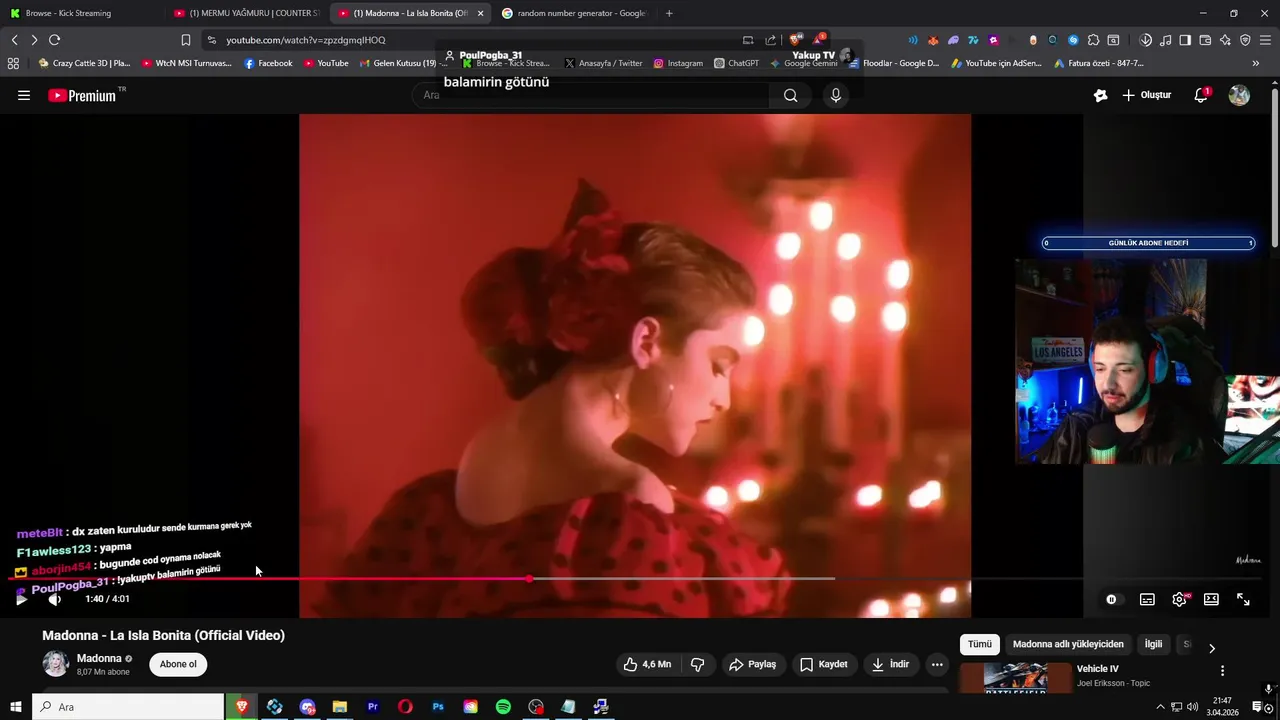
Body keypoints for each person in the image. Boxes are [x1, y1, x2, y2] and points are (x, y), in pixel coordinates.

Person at [316, 180, 791, 618]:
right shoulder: (625, 507)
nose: (723, 399)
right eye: (719, 365)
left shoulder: (437, 502)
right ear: (646, 340)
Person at [1036, 315, 1221, 464]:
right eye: (1100, 369)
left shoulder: (1182, 443)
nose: (1108, 384)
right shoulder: (1075, 427)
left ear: (1153, 370)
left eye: (1124, 370)